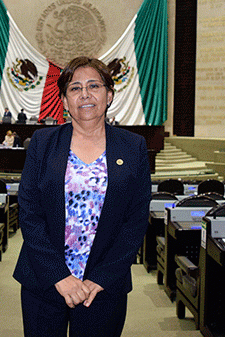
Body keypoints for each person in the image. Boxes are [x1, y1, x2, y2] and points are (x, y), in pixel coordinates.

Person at [13, 56, 151, 337]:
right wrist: (59, 277)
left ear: (109, 95)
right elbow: (29, 212)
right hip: (44, 280)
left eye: (94, 86)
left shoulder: (133, 146)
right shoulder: (42, 143)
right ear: (64, 100)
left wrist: (101, 278)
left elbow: (135, 221)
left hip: (102, 287)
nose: (85, 94)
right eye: (75, 88)